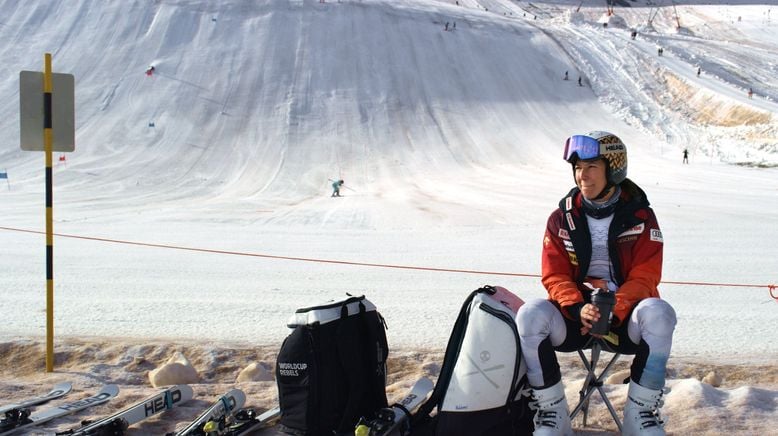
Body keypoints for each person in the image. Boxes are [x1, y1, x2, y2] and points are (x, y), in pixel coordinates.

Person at [516, 131, 676, 436]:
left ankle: (639, 417)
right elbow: (554, 275)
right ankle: (553, 416)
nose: (582, 175)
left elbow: (645, 276)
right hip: (575, 319)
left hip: (624, 320)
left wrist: (614, 308)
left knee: (660, 312)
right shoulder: (561, 218)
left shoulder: (641, 217)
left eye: (591, 167)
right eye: (577, 168)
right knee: (530, 314)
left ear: (613, 169)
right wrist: (578, 309)